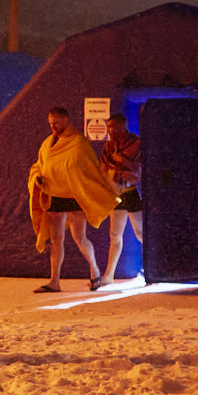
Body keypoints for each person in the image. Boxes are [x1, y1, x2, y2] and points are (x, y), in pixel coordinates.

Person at [27, 106, 119, 293]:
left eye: (57, 124)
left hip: (73, 197)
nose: (54, 127)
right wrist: (38, 177)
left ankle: (94, 271)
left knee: (79, 238)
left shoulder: (78, 142)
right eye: (51, 124)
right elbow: (40, 165)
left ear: (66, 121)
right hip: (54, 196)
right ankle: (54, 281)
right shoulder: (47, 143)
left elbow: (86, 169)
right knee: (56, 239)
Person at [99, 113, 144, 287]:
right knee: (115, 234)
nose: (111, 131)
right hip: (115, 193)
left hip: (132, 192)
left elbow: (139, 169)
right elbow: (102, 169)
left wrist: (124, 162)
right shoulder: (108, 146)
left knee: (140, 233)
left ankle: (151, 269)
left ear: (123, 126)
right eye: (109, 127)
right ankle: (109, 274)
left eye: (114, 127)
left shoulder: (136, 143)